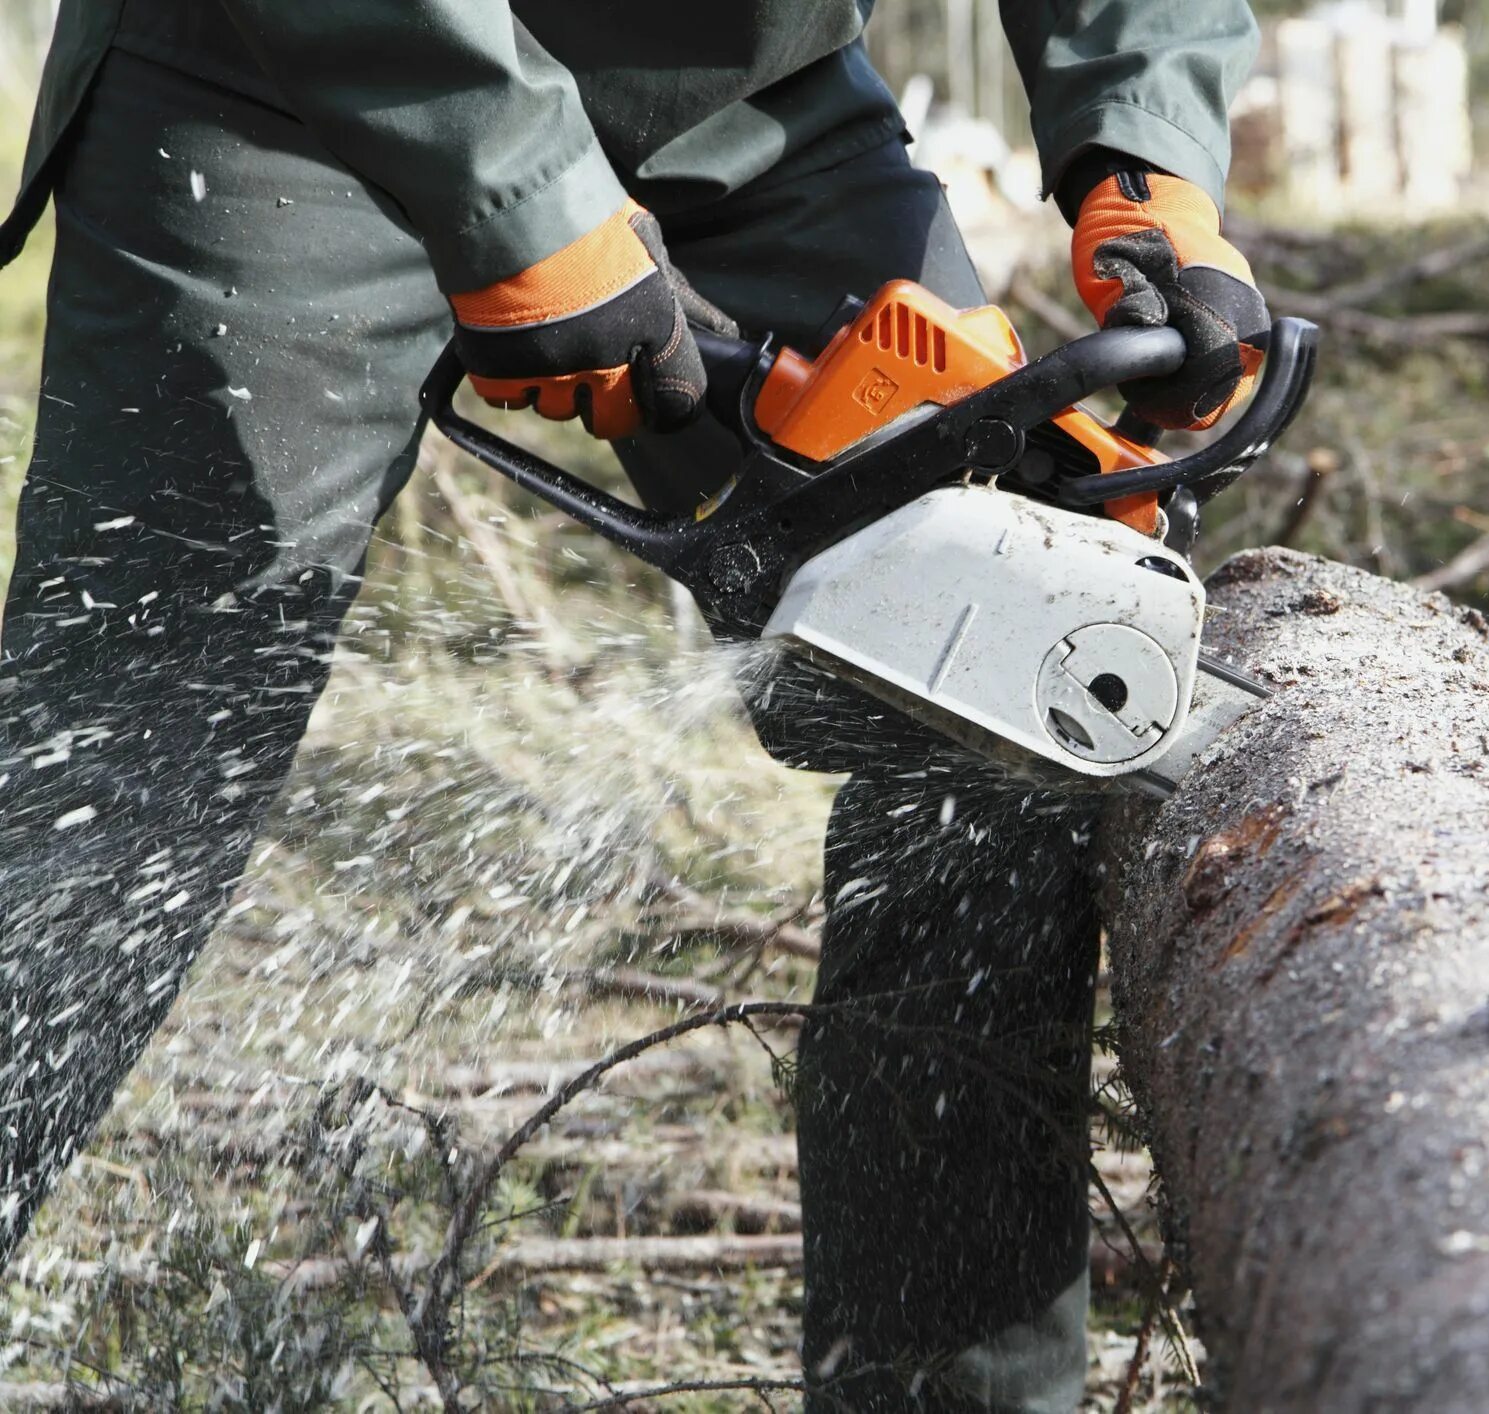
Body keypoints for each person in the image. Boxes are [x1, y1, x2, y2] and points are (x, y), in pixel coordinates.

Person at [0, 2, 1268, 1407]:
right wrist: (515, 182)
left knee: (1004, 696)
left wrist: (1141, 145)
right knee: (119, 781)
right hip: (286, 77)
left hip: (747, 93)